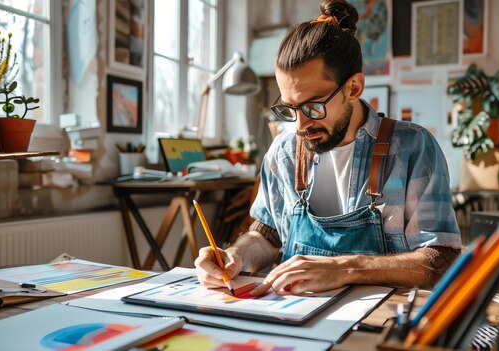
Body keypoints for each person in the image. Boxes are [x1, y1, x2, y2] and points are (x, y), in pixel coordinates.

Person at [195, 0, 461, 296]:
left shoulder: (412, 148)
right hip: (296, 321)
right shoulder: (283, 152)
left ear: (354, 88)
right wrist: (235, 256)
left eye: (313, 106)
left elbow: (440, 261)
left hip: (377, 323)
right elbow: (266, 234)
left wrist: (342, 268)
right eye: (290, 108)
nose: (299, 126)